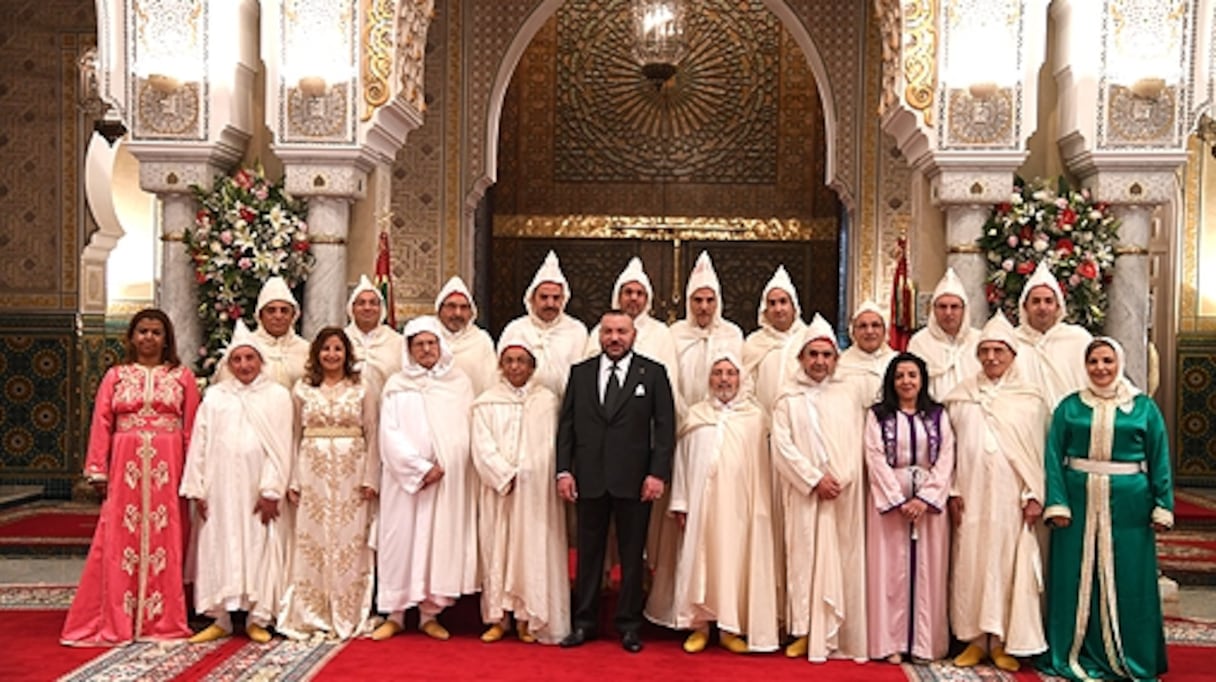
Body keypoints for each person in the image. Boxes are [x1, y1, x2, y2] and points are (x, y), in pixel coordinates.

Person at [61, 309, 200, 647]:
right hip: (126, 467)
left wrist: (194, 473)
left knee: (168, 537)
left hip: (169, 467)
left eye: (155, 332)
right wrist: (97, 468)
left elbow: (192, 429)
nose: (149, 338)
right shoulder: (116, 376)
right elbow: (102, 423)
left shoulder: (182, 377)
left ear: (166, 338)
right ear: (131, 337)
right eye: (142, 331)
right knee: (119, 537)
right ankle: (118, 615)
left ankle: (162, 618)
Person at [1040, 338, 1173, 680]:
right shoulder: (1070, 406)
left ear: (1120, 363)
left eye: (1107, 361)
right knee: (1074, 575)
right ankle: (1073, 648)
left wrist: (1162, 504)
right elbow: (1053, 456)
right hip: (1078, 502)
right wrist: (1058, 501)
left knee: (1129, 576)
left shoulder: (1143, 407)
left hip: (1129, 505)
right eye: (1094, 362)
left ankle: (1132, 653)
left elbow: (1159, 457)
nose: (1101, 368)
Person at [557, 310, 676, 653]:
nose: (614, 338)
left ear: (633, 335)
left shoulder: (652, 373)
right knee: (589, 555)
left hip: (635, 481)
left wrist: (657, 473)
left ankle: (629, 626)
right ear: (599, 335)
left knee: (630, 555)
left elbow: (664, 429)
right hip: (589, 479)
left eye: (621, 331)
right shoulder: (581, 373)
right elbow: (566, 427)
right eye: (608, 331)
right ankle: (584, 623)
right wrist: (564, 470)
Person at [646, 352, 779, 654]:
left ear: (740, 378)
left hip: (738, 508)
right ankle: (699, 626)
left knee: (732, 564)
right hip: (699, 506)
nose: (724, 379)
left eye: (730, 373)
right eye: (718, 373)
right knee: (698, 561)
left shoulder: (756, 418)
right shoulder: (696, 415)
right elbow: (680, 461)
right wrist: (679, 501)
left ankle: (729, 628)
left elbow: (762, 466)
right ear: (709, 379)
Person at [942, 311, 1049, 671]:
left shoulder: (1029, 399)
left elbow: (1035, 451)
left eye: (998, 351)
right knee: (970, 563)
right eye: (985, 351)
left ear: (1012, 355)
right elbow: (950, 449)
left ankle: (1003, 641)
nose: (991, 357)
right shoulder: (960, 398)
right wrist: (953, 490)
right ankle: (973, 638)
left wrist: (1034, 494)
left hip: (1010, 500)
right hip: (970, 494)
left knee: (1006, 566)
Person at [181, 320, 294, 644]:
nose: (244, 365)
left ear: (261, 361)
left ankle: (259, 617)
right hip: (220, 489)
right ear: (229, 364)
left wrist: (272, 489)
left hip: (258, 489)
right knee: (220, 545)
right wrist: (197, 488)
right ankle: (221, 617)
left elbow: (281, 446)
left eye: (250, 358)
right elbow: (199, 443)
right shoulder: (215, 397)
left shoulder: (277, 396)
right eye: (237, 360)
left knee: (259, 546)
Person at [372, 317, 478, 641]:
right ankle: (395, 613)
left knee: (436, 544)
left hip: (445, 481)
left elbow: (465, 430)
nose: (426, 349)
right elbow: (388, 434)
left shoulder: (458, 383)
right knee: (399, 542)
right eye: (419, 344)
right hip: (404, 483)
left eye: (431, 342)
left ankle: (430, 614)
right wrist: (418, 468)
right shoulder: (396, 384)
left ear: (441, 344)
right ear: (409, 349)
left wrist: (445, 463)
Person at [770, 314, 868, 663]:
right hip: (804, 494)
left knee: (841, 561)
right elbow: (781, 446)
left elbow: (860, 441)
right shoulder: (787, 397)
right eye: (813, 354)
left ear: (836, 360)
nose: (819, 361)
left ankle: (837, 632)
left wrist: (842, 479)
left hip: (843, 495)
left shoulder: (848, 394)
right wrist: (814, 480)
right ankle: (803, 630)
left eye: (826, 355)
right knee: (804, 559)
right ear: (801, 358)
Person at [277, 327, 379, 641]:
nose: (332, 355)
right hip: (312, 473)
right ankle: (312, 610)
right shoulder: (302, 389)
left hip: (353, 473)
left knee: (351, 543)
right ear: (316, 354)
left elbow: (373, 432)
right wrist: (292, 477)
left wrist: (371, 476)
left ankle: (348, 610)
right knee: (313, 541)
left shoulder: (362, 387)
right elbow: (292, 434)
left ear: (347, 354)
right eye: (326, 349)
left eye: (338, 349)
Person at [471, 333, 570, 645]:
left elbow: (554, 445)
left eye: (522, 361)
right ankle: (498, 618)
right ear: (500, 365)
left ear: (532, 366)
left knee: (530, 550)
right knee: (497, 548)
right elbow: (481, 444)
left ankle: (527, 616)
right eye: (510, 361)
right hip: (499, 490)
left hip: (535, 493)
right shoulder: (485, 402)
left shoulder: (547, 401)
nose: (515, 367)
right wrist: (503, 473)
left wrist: (533, 472)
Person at [863, 353, 954, 664]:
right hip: (889, 501)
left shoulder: (938, 414)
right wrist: (897, 499)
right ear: (892, 380)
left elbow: (946, 457)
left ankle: (924, 644)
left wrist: (925, 498)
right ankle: (891, 642)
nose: (906, 382)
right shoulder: (878, 415)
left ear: (922, 379)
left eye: (912, 375)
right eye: (900, 376)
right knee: (889, 571)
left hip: (928, 503)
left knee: (929, 570)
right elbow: (874, 456)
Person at [499, 250, 589, 401]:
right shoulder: (515, 329)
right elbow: (500, 374)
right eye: (544, 297)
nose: (550, 303)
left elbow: (585, 378)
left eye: (556, 298)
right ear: (532, 298)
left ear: (564, 299)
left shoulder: (577, 331)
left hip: (566, 409)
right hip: (521, 408)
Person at [669, 251, 744, 408]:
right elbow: (670, 380)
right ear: (689, 301)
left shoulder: (732, 334)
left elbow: (741, 381)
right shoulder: (674, 334)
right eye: (698, 300)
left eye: (710, 300)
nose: (704, 307)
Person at [1013, 261, 1093, 407]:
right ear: (1025, 306)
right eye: (1036, 301)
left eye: (1048, 301)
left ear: (1058, 306)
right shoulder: (1011, 342)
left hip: (1070, 424)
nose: (1042, 307)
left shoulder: (1078, 339)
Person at [214, 276, 310, 389]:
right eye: (271, 310)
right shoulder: (245, 348)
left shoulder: (307, 350)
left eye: (284, 310)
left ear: (293, 315)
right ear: (260, 315)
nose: (278, 316)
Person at [906, 268, 981, 400]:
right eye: (942, 306)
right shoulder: (919, 342)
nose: (948, 312)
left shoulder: (979, 340)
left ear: (964, 309)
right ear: (933, 309)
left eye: (954, 307)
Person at [742, 265, 807, 410]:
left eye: (783, 302)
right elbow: (745, 386)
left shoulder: (808, 339)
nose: (778, 309)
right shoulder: (754, 342)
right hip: (762, 422)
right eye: (772, 303)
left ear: (793, 305)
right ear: (765, 309)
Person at [432, 275, 498, 396]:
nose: (458, 313)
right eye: (451, 306)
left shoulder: (481, 340)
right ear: (440, 309)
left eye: (464, 308)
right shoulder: (427, 337)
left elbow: (491, 384)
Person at [344, 274, 404, 394]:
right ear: (352, 308)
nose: (367, 308)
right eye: (361, 303)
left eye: (373, 303)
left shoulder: (397, 342)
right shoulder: (341, 339)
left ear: (381, 308)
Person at [837, 300, 898, 405]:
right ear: (853, 332)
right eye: (862, 326)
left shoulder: (897, 362)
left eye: (875, 325)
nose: (869, 331)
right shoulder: (840, 364)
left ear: (884, 330)